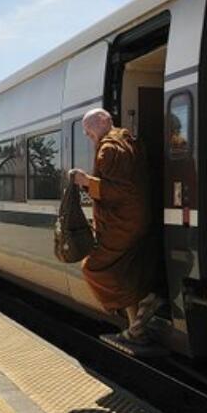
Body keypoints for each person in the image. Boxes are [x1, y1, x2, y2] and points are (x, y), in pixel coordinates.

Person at [70, 108, 162, 342]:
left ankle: (148, 300)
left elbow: (117, 192)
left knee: (94, 267)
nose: (89, 136)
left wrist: (85, 181)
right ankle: (136, 328)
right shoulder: (129, 140)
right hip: (139, 218)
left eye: (89, 131)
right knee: (124, 271)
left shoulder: (109, 149)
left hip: (123, 223)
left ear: (103, 121)